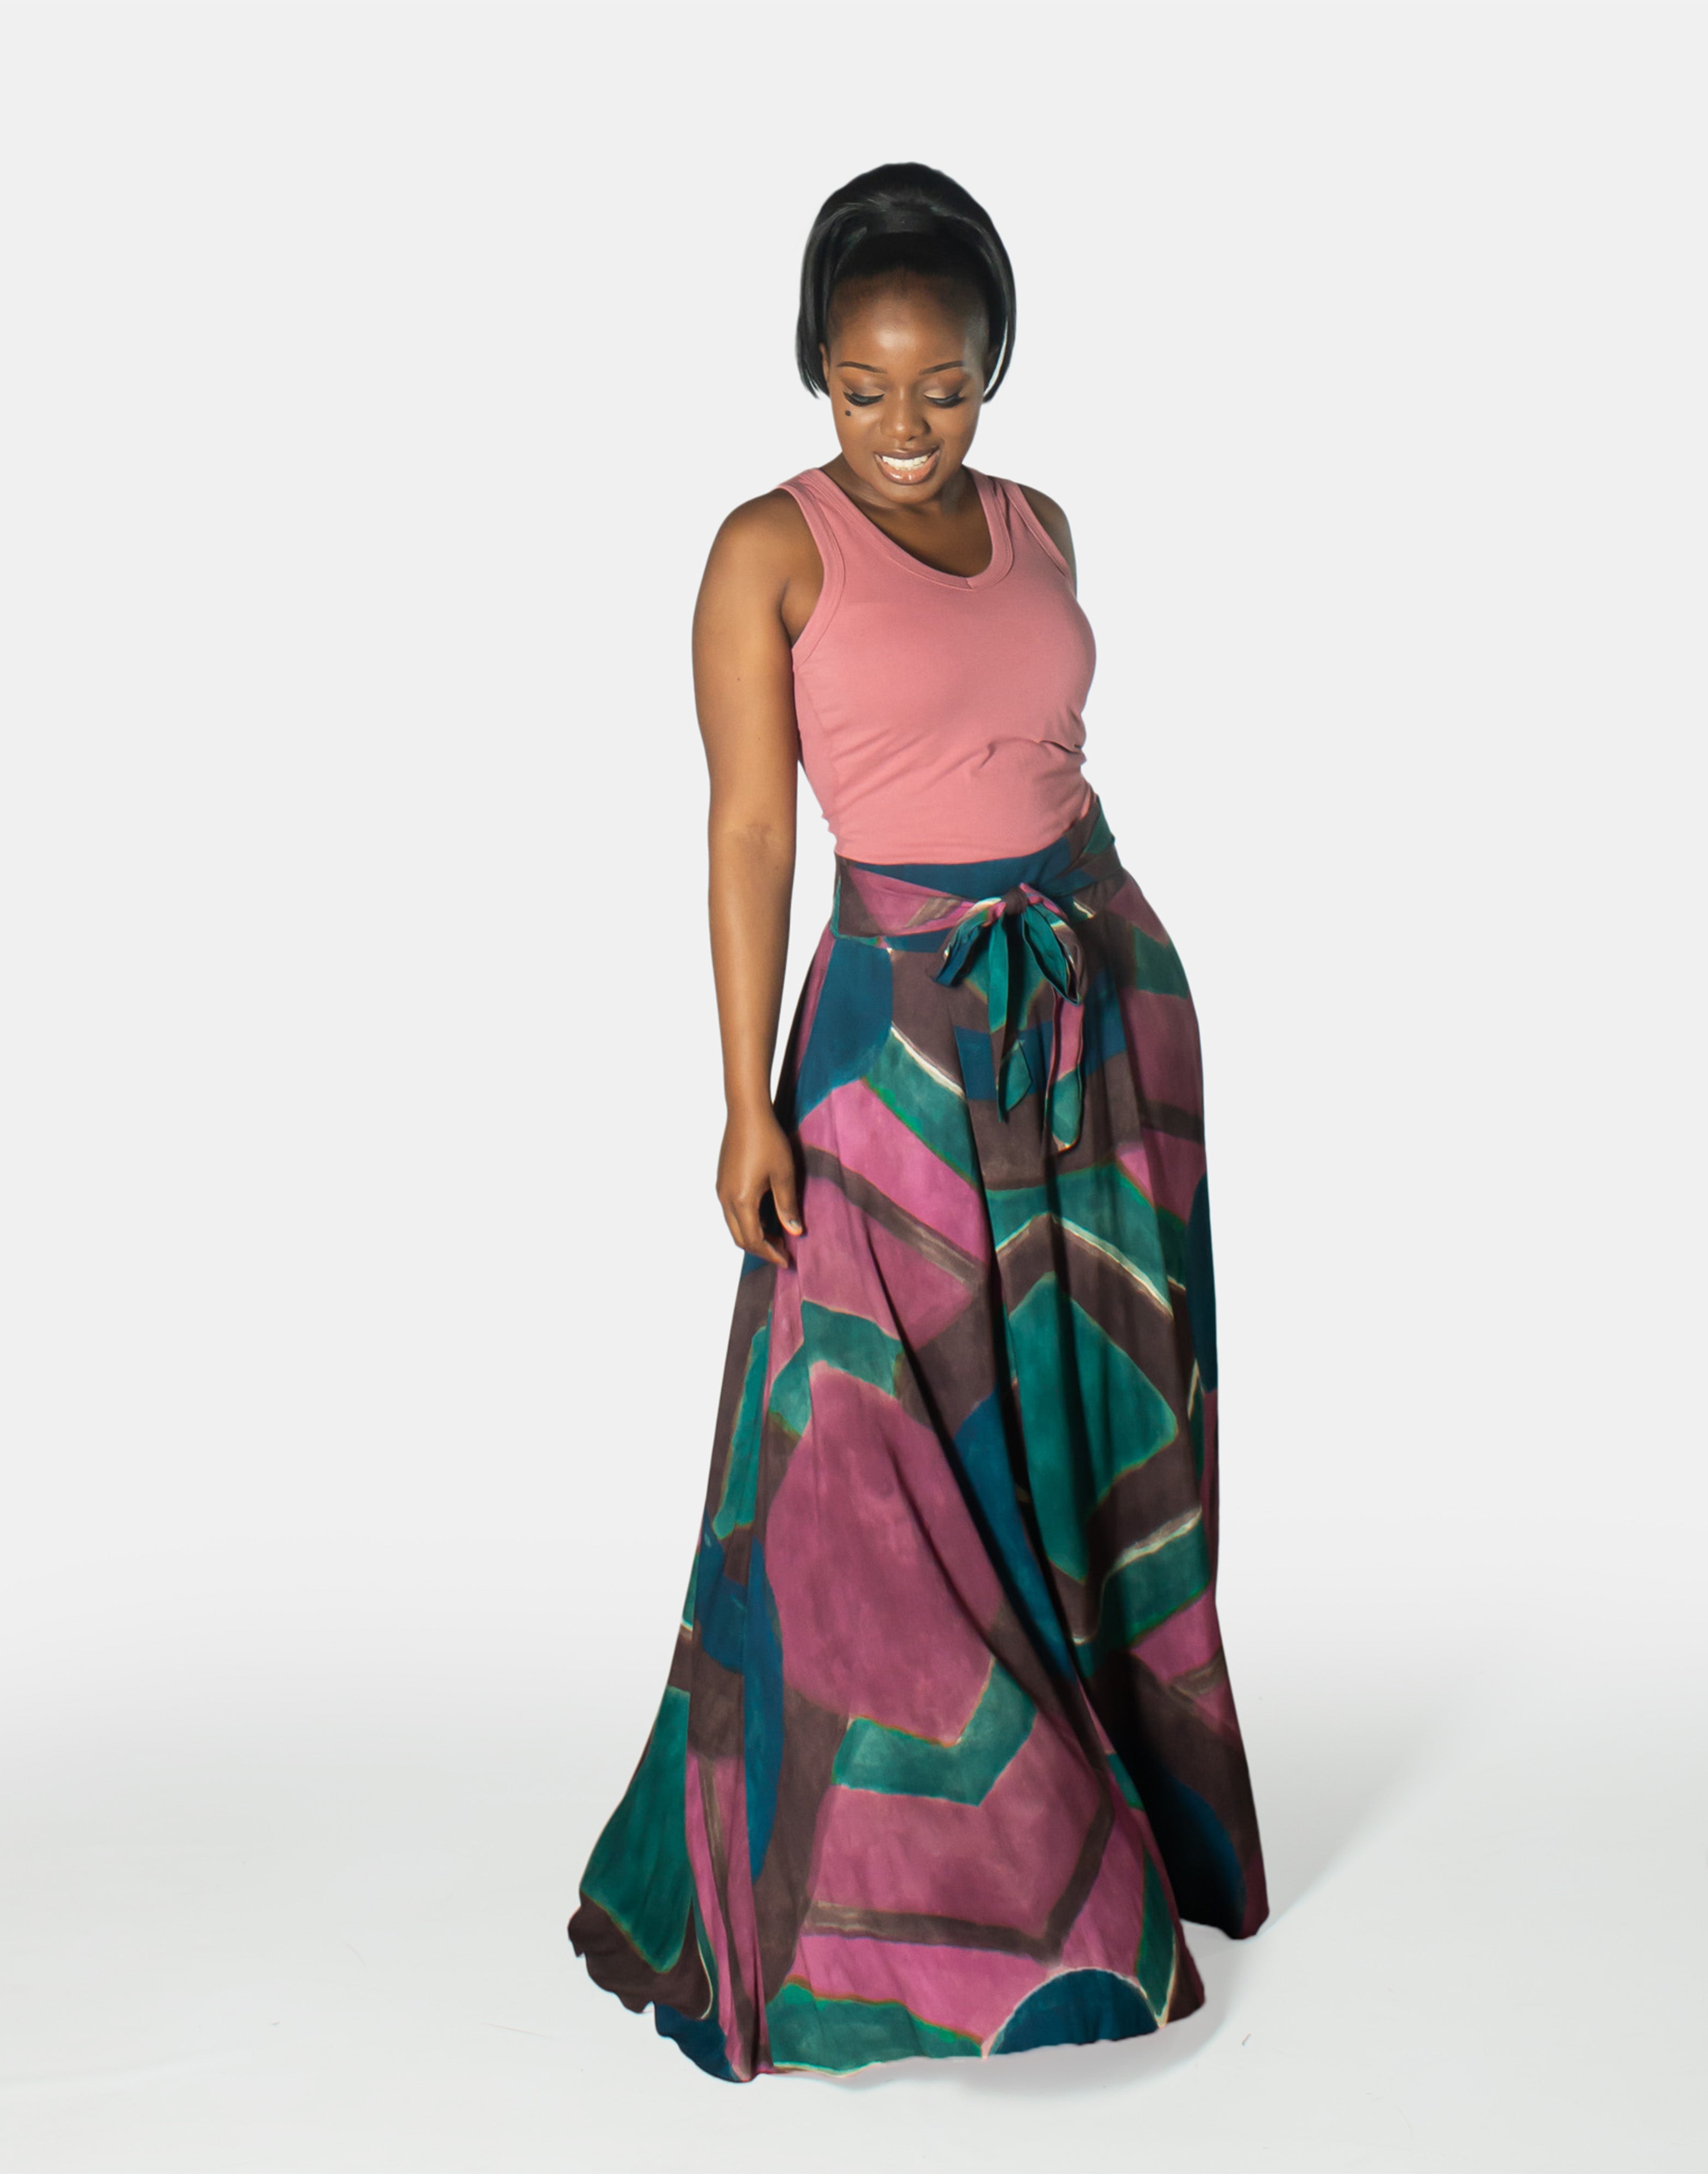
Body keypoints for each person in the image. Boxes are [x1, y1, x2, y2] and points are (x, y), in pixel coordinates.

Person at [567, 162, 1268, 2082]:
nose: (906, 424)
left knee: (1085, 1416)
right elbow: (747, 830)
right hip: (896, 1033)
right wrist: (745, 1101)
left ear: (993, 367)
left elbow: (1042, 759)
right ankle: (929, 1897)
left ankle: (1129, 1806)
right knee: (866, 1452)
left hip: (1095, 1001)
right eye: (865, 386)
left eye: (943, 385)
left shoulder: (1041, 523)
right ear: (817, 366)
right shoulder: (766, 551)